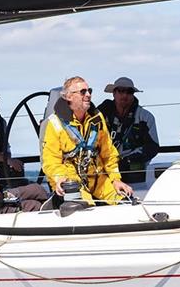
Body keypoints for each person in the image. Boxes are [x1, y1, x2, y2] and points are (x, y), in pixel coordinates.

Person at [41, 76, 133, 205]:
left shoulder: (97, 118)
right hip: (70, 183)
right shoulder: (54, 123)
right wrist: (59, 178)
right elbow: (50, 161)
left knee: (126, 201)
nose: (88, 95)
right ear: (68, 97)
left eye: (89, 91)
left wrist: (116, 179)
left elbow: (109, 154)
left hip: (98, 181)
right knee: (85, 207)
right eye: (83, 92)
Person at [97, 76, 159, 184]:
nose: (124, 95)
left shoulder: (146, 117)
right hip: (103, 170)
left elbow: (152, 147)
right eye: (120, 91)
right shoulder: (100, 115)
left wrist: (128, 160)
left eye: (129, 92)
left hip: (133, 173)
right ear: (114, 93)